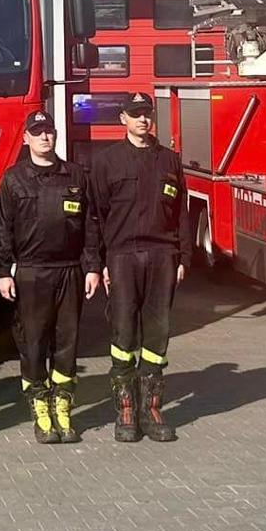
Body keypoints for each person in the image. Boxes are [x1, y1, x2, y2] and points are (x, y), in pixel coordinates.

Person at [87, 91, 190, 443]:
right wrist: (98, 262)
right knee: (124, 335)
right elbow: (95, 216)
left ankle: (152, 409)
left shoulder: (170, 161)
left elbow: (182, 215)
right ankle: (127, 411)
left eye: (146, 113)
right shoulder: (106, 162)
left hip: (162, 255)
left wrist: (183, 258)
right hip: (122, 255)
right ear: (123, 120)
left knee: (157, 333)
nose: (142, 120)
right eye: (135, 114)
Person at [0, 110, 101, 444]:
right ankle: (40, 406)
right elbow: (4, 231)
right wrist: (3, 272)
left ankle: (63, 405)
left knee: (66, 343)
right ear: (25, 138)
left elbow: (90, 226)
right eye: (37, 132)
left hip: (69, 270)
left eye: (49, 132)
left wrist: (93, 266)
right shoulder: (13, 179)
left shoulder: (75, 175)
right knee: (33, 341)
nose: (45, 137)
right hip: (30, 272)